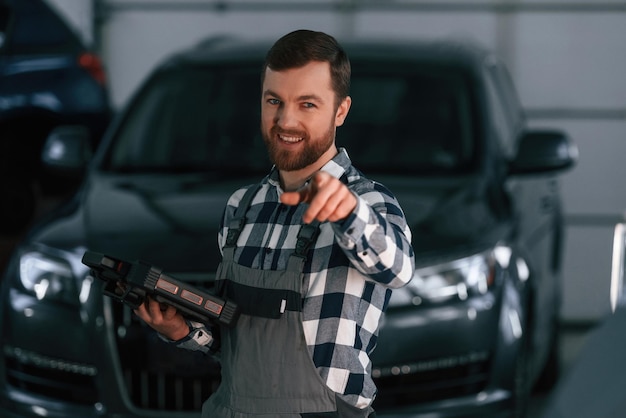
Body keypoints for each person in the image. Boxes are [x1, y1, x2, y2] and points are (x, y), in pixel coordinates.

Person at [134, 29, 415, 418]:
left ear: (340, 111)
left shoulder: (370, 202)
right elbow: (241, 342)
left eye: (307, 104)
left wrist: (347, 210)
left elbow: (398, 268)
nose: (286, 120)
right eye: (274, 101)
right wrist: (183, 331)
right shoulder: (241, 207)